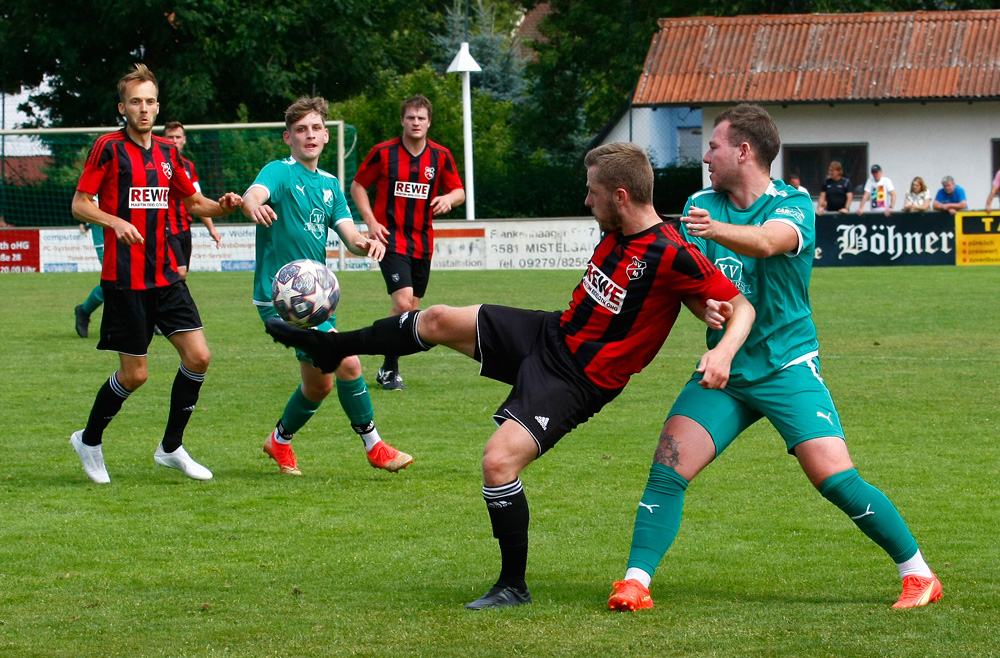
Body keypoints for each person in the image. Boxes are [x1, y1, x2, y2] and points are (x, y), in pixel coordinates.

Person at [266, 142, 756, 609]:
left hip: (579, 379)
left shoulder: (672, 252)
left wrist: (722, 351)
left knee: (498, 463)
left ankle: (512, 585)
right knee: (436, 318)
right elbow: (684, 295)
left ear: (620, 197)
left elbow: (742, 308)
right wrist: (700, 304)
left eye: (591, 191)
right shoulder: (620, 230)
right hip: (550, 333)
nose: (586, 200)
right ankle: (330, 347)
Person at [606, 104, 941, 613]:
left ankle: (918, 574)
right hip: (726, 369)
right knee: (667, 468)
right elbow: (697, 284)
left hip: (788, 366)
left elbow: (767, 243)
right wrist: (708, 307)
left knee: (836, 479)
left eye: (714, 146)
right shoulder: (702, 200)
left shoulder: (795, 203)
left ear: (744, 151)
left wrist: (713, 230)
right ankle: (635, 582)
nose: (707, 157)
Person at [69, 64, 242, 483]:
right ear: (123, 107)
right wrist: (114, 221)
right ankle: (89, 440)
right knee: (136, 375)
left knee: (199, 356)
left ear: (157, 106)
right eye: (135, 102)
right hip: (125, 279)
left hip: (167, 276)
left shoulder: (168, 153)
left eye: (149, 101)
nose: (143, 109)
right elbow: (80, 203)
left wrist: (224, 205)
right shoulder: (108, 149)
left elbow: (194, 203)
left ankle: (171, 447)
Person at [242, 96, 413, 476]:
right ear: (288, 137)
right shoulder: (279, 172)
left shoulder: (330, 184)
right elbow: (255, 194)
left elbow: (348, 233)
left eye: (316, 128)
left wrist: (364, 243)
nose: (310, 135)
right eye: (301, 129)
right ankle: (375, 447)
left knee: (318, 386)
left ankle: (279, 442)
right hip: (282, 300)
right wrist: (251, 204)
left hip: (316, 299)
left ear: (324, 135)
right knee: (348, 362)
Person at [350, 95, 465, 391]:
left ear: (429, 123)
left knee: (410, 316)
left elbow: (459, 191)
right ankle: (387, 367)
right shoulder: (384, 152)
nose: (416, 123)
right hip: (390, 239)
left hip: (423, 243)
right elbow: (358, 185)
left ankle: (386, 363)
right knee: (402, 304)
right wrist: (372, 224)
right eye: (411, 117)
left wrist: (448, 199)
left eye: (421, 118)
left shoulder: (440, 156)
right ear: (402, 120)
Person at [163, 121, 222, 279]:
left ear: (184, 140)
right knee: (179, 273)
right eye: (170, 137)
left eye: (178, 137)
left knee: (182, 275)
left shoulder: (188, 166)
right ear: (163, 139)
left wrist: (212, 229)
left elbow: (198, 200)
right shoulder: (157, 164)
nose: (174, 141)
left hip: (184, 228)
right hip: (166, 228)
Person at [73, 222, 105, 338]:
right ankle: (84, 311)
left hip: (131, 242)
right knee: (116, 282)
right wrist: (86, 223)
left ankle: (154, 319)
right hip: (105, 244)